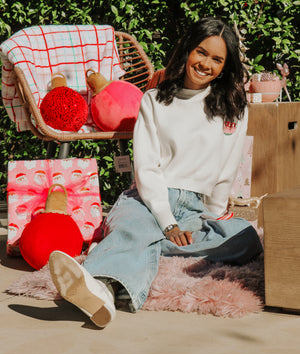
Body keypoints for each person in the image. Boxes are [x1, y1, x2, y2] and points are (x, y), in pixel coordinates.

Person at [49, 17, 263, 328]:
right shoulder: (154, 99)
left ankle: (128, 245)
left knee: (246, 239)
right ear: (188, 49)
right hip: (148, 200)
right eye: (201, 52)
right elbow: (146, 167)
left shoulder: (233, 108)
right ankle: (102, 290)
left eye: (217, 59)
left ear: (225, 66)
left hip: (195, 209)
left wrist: (214, 216)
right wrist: (166, 222)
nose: (206, 64)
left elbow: (226, 168)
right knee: (135, 224)